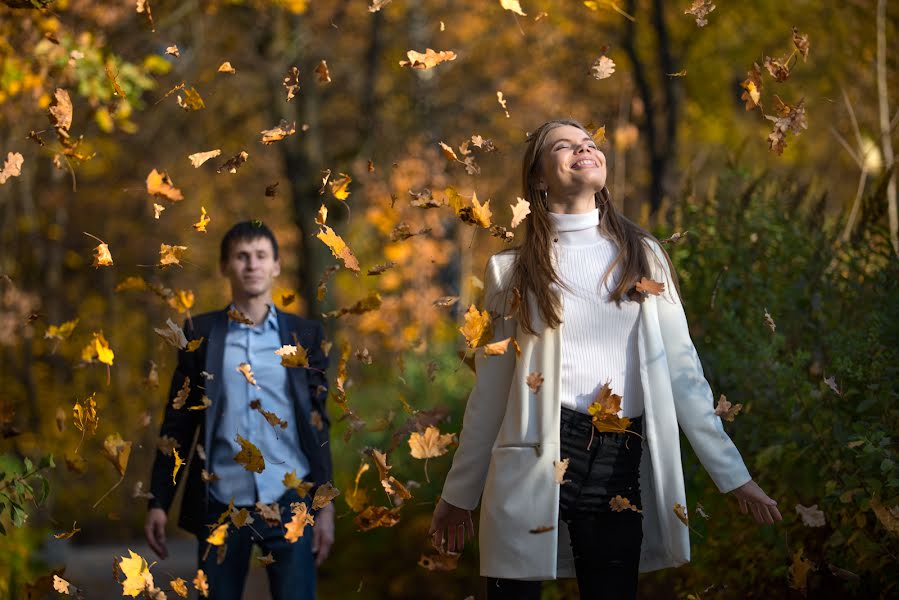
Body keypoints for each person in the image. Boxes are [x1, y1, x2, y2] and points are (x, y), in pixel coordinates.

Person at [428, 119, 782, 599]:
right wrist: (459, 493)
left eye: (589, 143)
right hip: (532, 457)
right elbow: (490, 393)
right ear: (538, 178)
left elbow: (684, 375)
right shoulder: (510, 270)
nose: (583, 149)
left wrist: (733, 476)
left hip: (617, 460)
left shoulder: (644, 255)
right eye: (564, 146)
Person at [145, 221, 334, 600]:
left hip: (289, 500)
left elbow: (317, 425)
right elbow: (178, 422)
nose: (252, 265)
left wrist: (326, 507)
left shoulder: (304, 336)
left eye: (261, 256)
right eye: (242, 257)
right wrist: (158, 501)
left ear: (276, 266)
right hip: (221, 501)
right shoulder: (200, 335)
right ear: (225, 267)